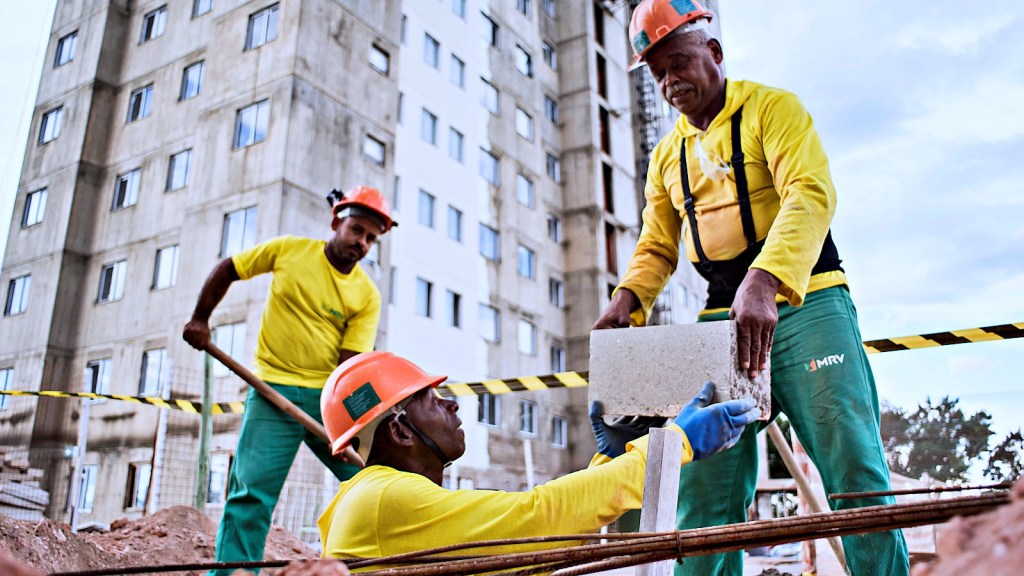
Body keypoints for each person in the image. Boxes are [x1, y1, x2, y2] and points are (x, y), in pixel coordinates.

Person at [592, 1, 910, 575]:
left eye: (678, 63)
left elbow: (809, 193)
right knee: (704, 490)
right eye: (658, 72)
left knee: (854, 469)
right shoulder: (667, 157)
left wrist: (765, 279)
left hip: (807, 300)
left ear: (713, 52)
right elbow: (657, 245)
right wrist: (627, 301)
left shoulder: (773, 109)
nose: (669, 82)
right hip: (721, 320)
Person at [316, 351, 759, 560]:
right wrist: (675, 442)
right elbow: (539, 517)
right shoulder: (384, 501)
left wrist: (608, 463)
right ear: (398, 430)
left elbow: (534, 533)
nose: (452, 405)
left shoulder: (375, 498)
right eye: (431, 400)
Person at [183, 186, 396, 576]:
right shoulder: (289, 251)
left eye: (371, 238)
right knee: (250, 494)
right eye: (357, 230)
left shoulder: (366, 295)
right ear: (337, 222)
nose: (362, 243)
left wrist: (357, 426)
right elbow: (230, 268)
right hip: (272, 390)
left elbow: (348, 366)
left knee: (373, 480)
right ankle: (234, 574)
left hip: (327, 398)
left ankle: (380, 566)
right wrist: (200, 318)